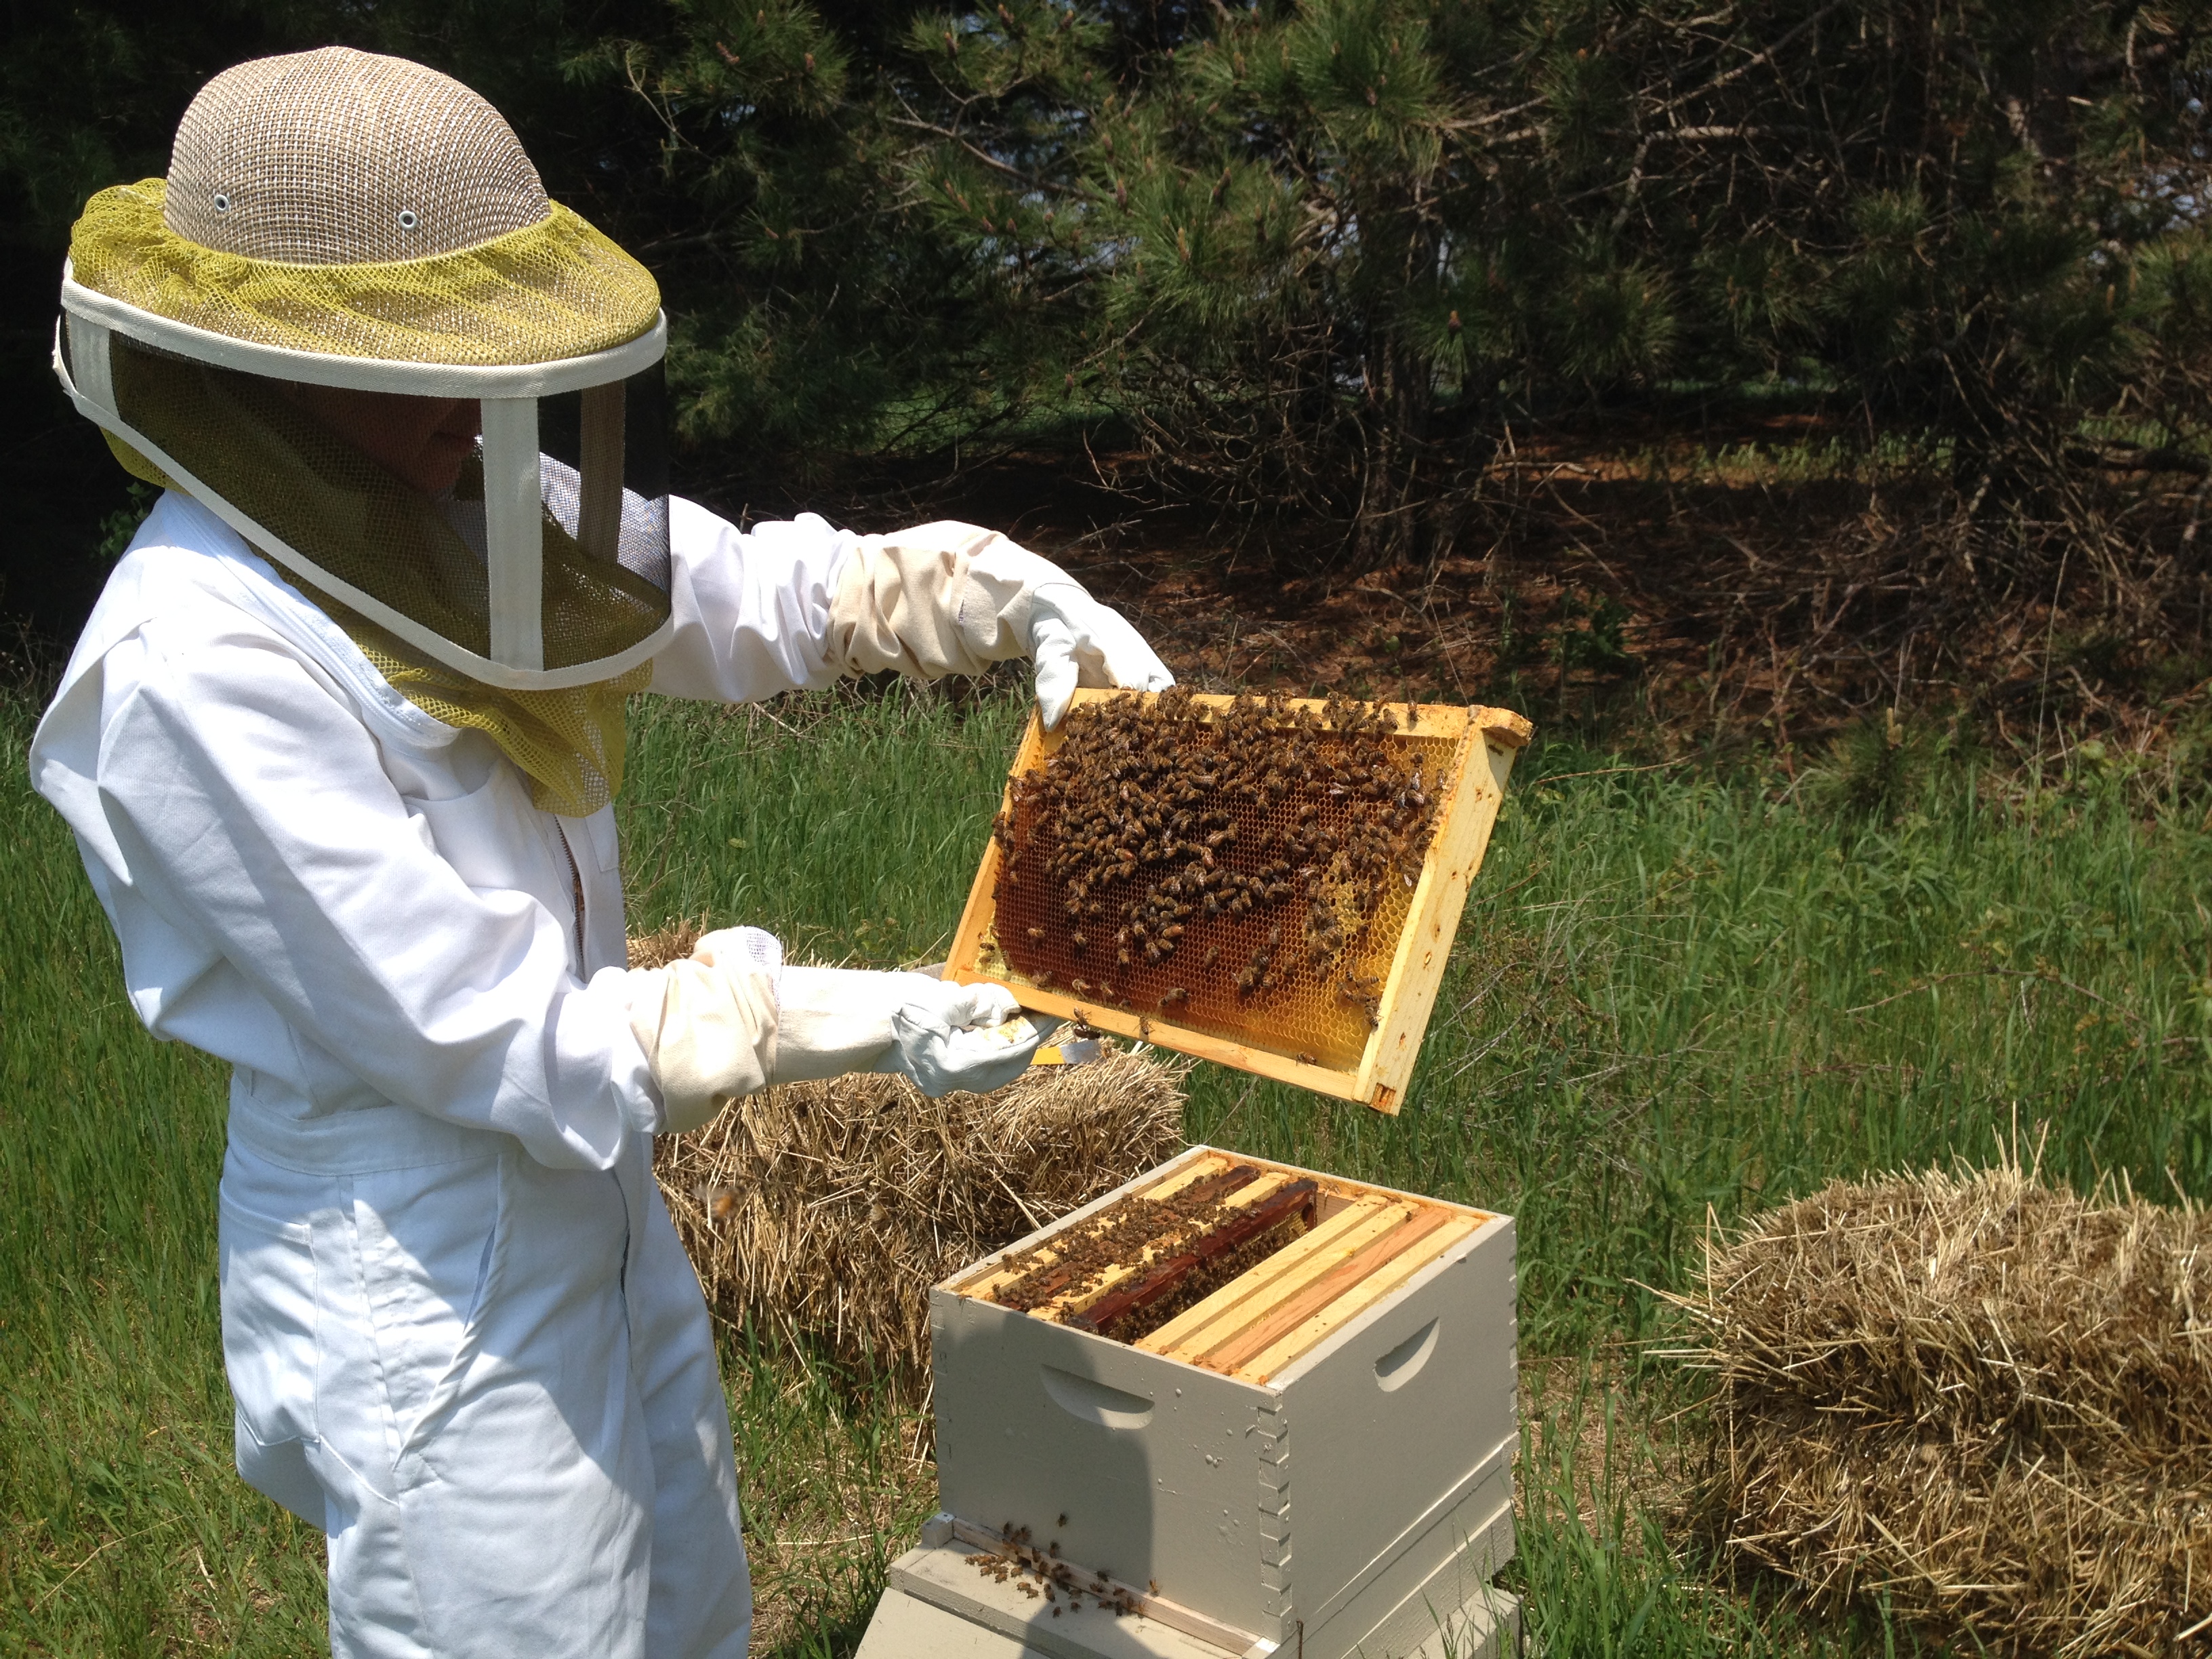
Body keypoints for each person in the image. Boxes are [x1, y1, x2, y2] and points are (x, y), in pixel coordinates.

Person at [30, 45, 1172, 1659]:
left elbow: (742, 592)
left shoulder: (439, 494)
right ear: (264, 365)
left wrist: (997, 593)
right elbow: (487, 1027)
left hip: (604, 1182)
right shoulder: (188, 664)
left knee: (693, 1613)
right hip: (422, 1257)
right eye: (413, 361)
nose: (475, 408)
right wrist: (844, 1019)